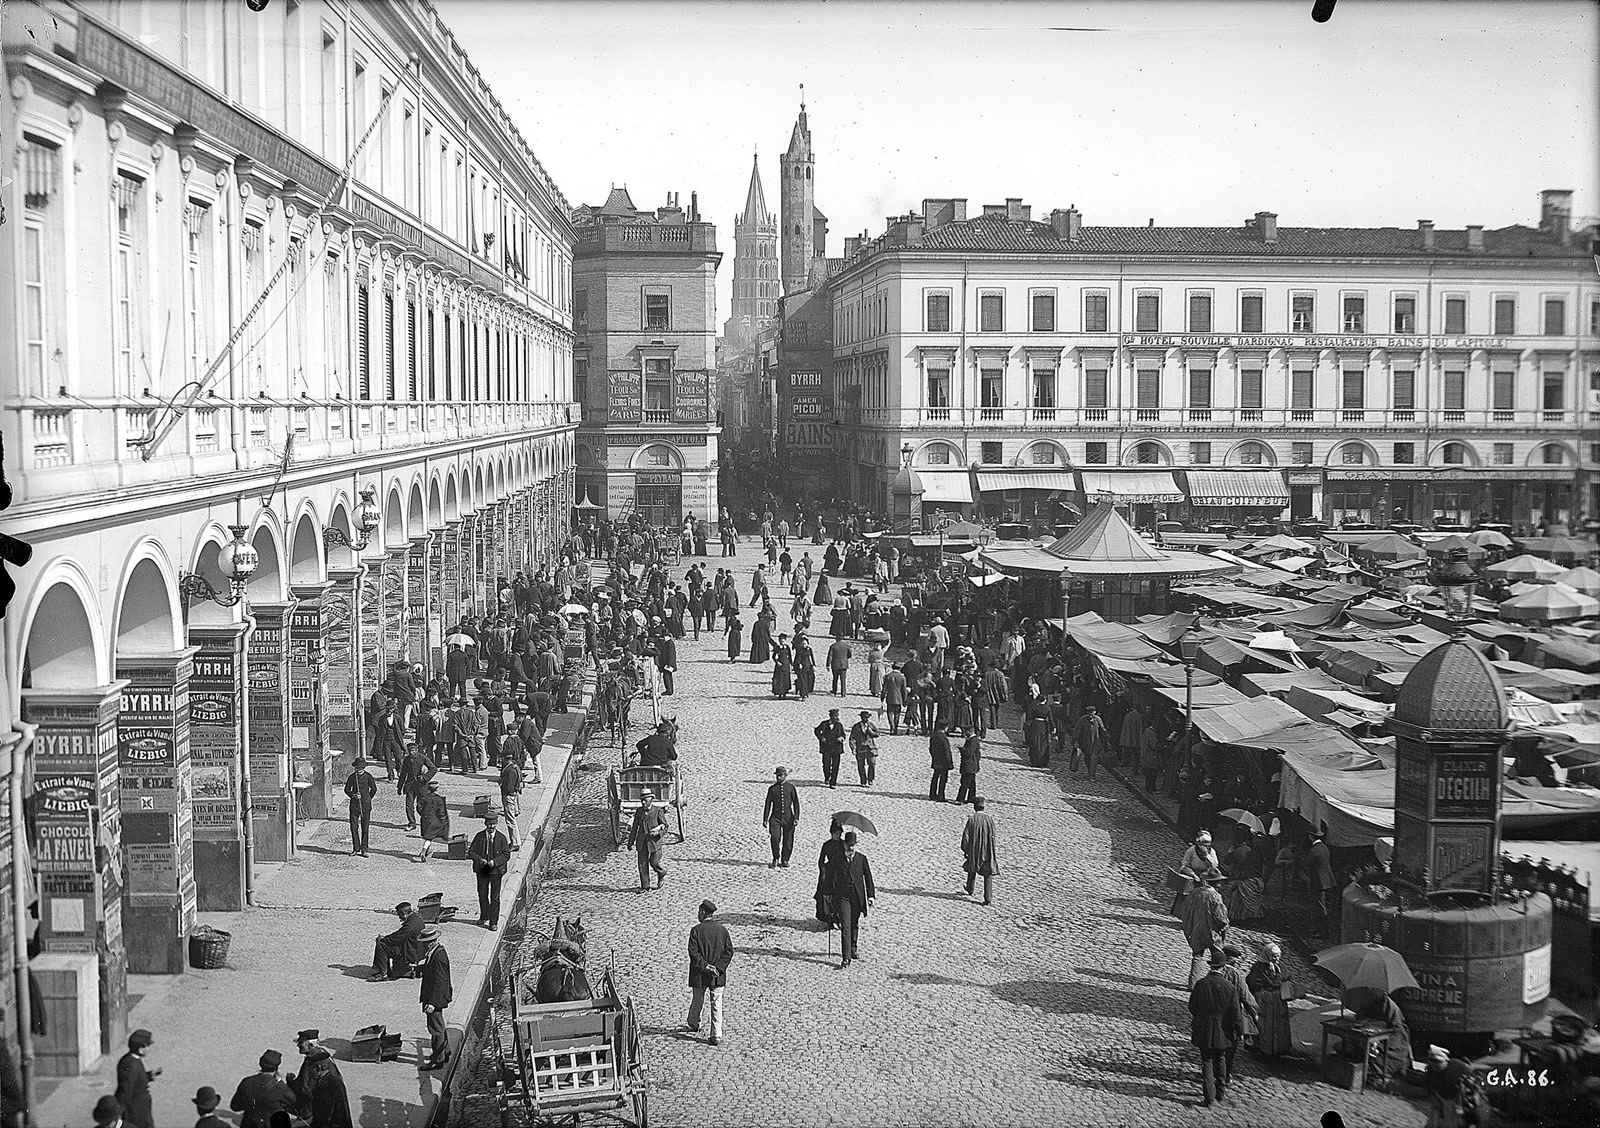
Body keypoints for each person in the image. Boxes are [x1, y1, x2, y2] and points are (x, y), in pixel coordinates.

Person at [1188, 948, 1243, 1108]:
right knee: (1221, 1059)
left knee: (1206, 1061)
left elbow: (1192, 1007)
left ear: (1210, 966)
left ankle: (1209, 1097)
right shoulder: (1230, 988)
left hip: (1204, 1029)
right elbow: (1236, 1013)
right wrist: (1239, 1031)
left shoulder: (1201, 984)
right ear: (1223, 967)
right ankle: (1220, 1092)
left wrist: (1202, 1017)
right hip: (1223, 1030)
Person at [824, 831, 876, 968]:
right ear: (844, 845)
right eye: (848, 845)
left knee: (854, 924)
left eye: (853, 845)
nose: (851, 848)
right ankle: (846, 958)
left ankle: (853, 948)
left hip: (857, 897)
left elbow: (868, 878)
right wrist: (827, 893)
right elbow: (829, 876)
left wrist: (870, 896)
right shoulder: (837, 859)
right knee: (845, 926)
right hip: (843, 897)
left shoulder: (861, 859)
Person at [686, 900, 734, 1046]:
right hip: (717, 976)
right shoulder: (722, 931)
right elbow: (728, 952)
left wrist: (706, 966)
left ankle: (694, 1022)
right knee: (716, 1003)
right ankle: (716, 1034)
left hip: (699, 974)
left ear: (702, 912)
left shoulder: (696, 930)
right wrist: (718, 968)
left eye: (698, 912)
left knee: (697, 1000)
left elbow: (693, 953)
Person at [287, 1030, 352, 1128]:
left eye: (301, 1043)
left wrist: (291, 1082)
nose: (298, 1045)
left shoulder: (314, 1062)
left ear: (310, 1044)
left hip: (318, 1113)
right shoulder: (323, 1054)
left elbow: (305, 1089)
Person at [1180, 872, 1230, 988]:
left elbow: (1185, 910)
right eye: (1219, 882)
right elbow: (1220, 917)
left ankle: (1193, 983)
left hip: (1196, 929)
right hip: (1212, 932)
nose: (1220, 885)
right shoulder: (1215, 896)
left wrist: (1189, 926)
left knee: (1197, 955)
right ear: (1215, 883)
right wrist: (1224, 926)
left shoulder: (1194, 893)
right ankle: (1219, 983)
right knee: (1218, 956)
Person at [1246, 942, 1293, 1058]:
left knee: (1279, 1024)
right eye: (1274, 956)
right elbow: (1252, 981)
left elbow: (1287, 977)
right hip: (1264, 1001)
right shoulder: (1258, 967)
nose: (1277, 958)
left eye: (1278, 956)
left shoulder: (1280, 966)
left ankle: (1279, 1048)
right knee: (1264, 1025)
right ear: (1267, 955)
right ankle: (1262, 1048)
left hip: (1278, 1001)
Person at [468, 812, 513, 929]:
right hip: (482, 870)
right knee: (482, 894)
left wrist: (495, 862)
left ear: (496, 824)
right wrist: (480, 860)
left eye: (493, 824)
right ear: (485, 824)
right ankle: (484, 916)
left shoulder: (501, 838)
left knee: (495, 897)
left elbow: (506, 855)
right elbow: (471, 852)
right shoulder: (479, 836)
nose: (491, 827)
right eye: (489, 824)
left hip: (496, 871)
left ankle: (493, 922)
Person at [417, 926, 453, 1070]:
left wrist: (432, 1003)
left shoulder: (438, 957)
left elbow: (440, 981)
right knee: (439, 1025)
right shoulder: (436, 952)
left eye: (424, 943)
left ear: (430, 943)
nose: (423, 946)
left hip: (435, 998)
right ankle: (446, 1051)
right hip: (436, 996)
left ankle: (437, 1060)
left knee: (435, 1029)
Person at [230, 1050, 297, 1128]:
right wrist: (281, 1082)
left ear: (260, 1064)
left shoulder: (246, 1082)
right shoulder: (280, 1087)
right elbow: (292, 1101)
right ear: (276, 1067)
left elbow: (235, 1106)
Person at [1220, 944, 1260, 1058]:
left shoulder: (1215, 970)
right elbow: (1245, 996)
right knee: (1230, 1043)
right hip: (1230, 1013)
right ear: (1233, 960)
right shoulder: (1235, 975)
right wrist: (1255, 1013)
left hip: (1215, 1012)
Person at [370, 902, 425, 981]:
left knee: (381, 945)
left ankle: (382, 973)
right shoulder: (416, 918)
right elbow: (400, 934)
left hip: (410, 952)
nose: (399, 917)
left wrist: (383, 939)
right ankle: (407, 972)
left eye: (399, 914)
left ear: (404, 913)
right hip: (416, 950)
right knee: (386, 943)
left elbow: (398, 937)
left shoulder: (410, 924)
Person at [114, 1029, 158, 1128]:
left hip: (140, 1109)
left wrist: (148, 1076)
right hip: (135, 1112)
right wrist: (118, 1113)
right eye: (147, 1046)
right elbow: (125, 1091)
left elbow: (135, 1080)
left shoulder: (131, 1060)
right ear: (140, 1048)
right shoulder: (131, 1065)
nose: (149, 1049)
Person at [627, 790, 669, 890]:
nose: (643, 803)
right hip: (642, 842)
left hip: (655, 842)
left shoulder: (658, 811)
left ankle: (661, 872)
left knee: (654, 862)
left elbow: (665, 826)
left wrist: (658, 832)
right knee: (642, 864)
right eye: (642, 800)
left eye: (645, 800)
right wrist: (630, 842)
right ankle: (645, 887)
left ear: (651, 800)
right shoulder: (639, 811)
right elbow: (635, 827)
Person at [960, 797, 999, 905]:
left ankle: (970, 888)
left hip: (974, 848)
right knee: (988, 872)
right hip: (987, 849)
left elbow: (966, 836)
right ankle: (988, 898)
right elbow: (993, 835)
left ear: (974, 807)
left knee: (972, 867)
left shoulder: (972, 819)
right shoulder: (989, 819)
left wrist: (965, 849)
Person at [1422, 1044, 1470, 1128]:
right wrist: (1435, 1101)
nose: (1435, 1064)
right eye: (1432, 1061)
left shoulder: (1457, 1066)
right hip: (1440, 1098)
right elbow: (1429, 1088)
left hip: (1456, 1099)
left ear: (1446, 1061)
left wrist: (1461, 1103)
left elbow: (1468, 1081)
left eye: (1438, 1062)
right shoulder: (1430, 1071)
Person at [761, 766, 801, 868]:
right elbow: (768, 804)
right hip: (775, 818)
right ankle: (776, 857)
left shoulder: (791, 788)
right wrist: (765, 819)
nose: (779, 778)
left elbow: (796, 803)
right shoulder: (772, 789)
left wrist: (796, 817)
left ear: (785, 776)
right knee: (775, 838)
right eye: (777, 776)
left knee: (788, 841)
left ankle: (785, 859)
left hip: (788, 818)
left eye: (781, 775)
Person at [1222, 829, 1264, 923]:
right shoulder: (1255, 850)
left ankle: (1236, 916)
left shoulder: (1238, 850)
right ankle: (1249, 917)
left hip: (1245, 880)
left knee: (1227, 890)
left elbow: (1226, 862)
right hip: (1257, 880)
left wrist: (1230, 851)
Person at [344, 757, 378, 857]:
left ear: (363, 768)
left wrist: (368, 798)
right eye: (357, 768)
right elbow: (346, 789)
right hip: (354, 805)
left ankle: (364, 849)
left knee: (365, 827)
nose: (358, 770)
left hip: (365, 805)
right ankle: (356, 848)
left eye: (360, 768)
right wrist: (353, 795)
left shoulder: (368, 777)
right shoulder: (352, 777)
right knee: (354, 827)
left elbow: (374, 789)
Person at [415, 779, 449, 863]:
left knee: (427, 836)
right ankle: (423, 851)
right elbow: (441, 812)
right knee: (429, 838)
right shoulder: (439, 799)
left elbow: (418, 808)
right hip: (434, 820)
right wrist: (443, 821)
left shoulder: (423, 797)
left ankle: (426, 851)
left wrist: (423, 814)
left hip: (425, 819)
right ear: (436, 789)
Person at [1307, 827, 1337, 923]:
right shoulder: (1324, 847)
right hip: (1328, 879)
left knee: (1319, 903)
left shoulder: (1314, 850)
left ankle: (1322, 925)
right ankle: (1326, 922)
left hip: (1319, 880)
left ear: (1311, 836)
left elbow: (1308, 863)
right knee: (1325, 902)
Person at [1071, 704, 1107, 780]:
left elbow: (1102, 729)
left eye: (1092, 713)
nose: (1090, 715)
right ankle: (1089, 771)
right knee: (1087, 758)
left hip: (1096, 742)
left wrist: (1105, 737)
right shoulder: (1082, 720)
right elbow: (1077, 731)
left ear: (1095, 712)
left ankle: (1092, 775)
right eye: (1089, 713)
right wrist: (1076, 741)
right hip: (1085, 743)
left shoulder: (1098, 719)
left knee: (1094, 758)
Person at [814, 709, 846, 788]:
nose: (836, 718)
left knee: (835, 766)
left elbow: (843, 735)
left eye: (837, 716)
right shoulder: (824, 724)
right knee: (826, 765)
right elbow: (817, 730)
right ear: (831, 717)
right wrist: (821, 738)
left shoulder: (839, 725)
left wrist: (841, 738)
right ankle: (827, 777)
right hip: (826, 748)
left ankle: (833, 782)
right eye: (834, 716)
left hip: (836, 748)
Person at [499, 753, 524, 848]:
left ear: (505, 759)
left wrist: (502, 785)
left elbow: (509, 788)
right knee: (511, 818)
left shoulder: (510, 770)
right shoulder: (515, 767)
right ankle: (515, 841)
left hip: (508, 796)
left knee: (510, 820)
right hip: (513, 795)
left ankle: (515, 842)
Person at [849, 710, 879, 787]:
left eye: (867, 717)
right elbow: (852, 738)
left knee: (872, 764)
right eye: (864, 717)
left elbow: (877, 734)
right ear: (861, 718)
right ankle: (863, 780)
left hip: (871, 748)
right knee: (861, 765)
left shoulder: (871, 725)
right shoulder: (856, 726)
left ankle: (870, 779)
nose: (865, 719)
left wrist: (871, 732)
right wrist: (853, 748)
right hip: (860, 748)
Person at [956, 728, 982, 805]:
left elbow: (968, 753)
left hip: (969, 765)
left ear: (969, 732)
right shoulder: (973, 740)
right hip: (972, 765)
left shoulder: (973, 741)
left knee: (965, 783)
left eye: (966, 731)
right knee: (971, 783)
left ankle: (960, 799)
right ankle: (971, 798)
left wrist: (961, 749)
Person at [928, 724, 953, 802]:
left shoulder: (933, 736)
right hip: (944, 762)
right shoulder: (944, 738)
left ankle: (932, 794)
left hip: (936, 760)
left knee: (935, 777)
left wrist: (934, 756)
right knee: (943, 779)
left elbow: (930, 749)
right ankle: (941, 796)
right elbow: (947, 751)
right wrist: (950, 762)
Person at [881, 663, 907, 735]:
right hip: (899, 698)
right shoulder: (902, 677)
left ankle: (891, 726)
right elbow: (904, 690)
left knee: (890, 713)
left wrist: (882, 697)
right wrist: (905, 700)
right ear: (899, 668)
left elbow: (884, 689)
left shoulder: (888, 676)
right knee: (897, 714)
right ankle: (895, 728)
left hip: (890, 697)